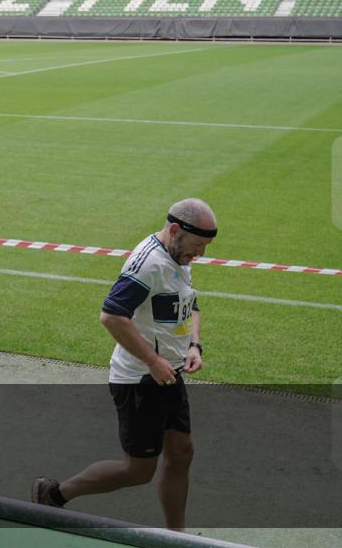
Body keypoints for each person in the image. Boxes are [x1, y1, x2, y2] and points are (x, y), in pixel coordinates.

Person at [31, 198, 217, 532]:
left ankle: (177, 537)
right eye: (198, 246)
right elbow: (112, 316)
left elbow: (190, 303)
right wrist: (154, 361)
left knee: (182, 452)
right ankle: (53, 494)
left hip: (168, 374)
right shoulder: (148, 265)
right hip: (141, 380)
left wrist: (193, 344)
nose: (200, 254)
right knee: (138, 470)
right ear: (175, 230)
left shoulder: (178, 254)